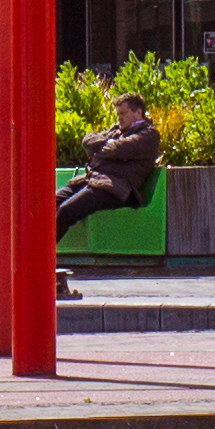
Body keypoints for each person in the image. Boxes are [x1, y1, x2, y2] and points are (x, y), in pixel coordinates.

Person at [42, 94, 163, 302]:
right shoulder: (117, 131)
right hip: (92, 181)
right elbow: (88, 140)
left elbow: (117, 148)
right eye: (118, 114)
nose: (120, 118)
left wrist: (106, 146)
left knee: (67, 211)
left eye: (124, 114)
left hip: (115, 188)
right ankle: (32, 251)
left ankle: (39, 261)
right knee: (47, 204)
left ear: (138, 112)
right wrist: (107, 144)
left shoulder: (148, 134)